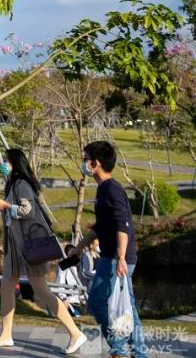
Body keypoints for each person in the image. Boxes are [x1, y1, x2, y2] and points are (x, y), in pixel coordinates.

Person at [0, 148, 87, 353]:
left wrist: (6, 205)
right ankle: (5, 335)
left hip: (28, 247)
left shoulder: (22, 184)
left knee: (42, 292)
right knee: (7, 287)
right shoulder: (14, 183)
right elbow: (14, 214)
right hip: (15, 247)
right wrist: (1, 205)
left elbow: (27, 211)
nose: (4, 164)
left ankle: (76, 333)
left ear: (15, 163)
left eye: (7, 161)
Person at [71, 141, 146, 358]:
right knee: (127, 309)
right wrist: (79, 247)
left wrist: (121, 257)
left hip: (116, 258)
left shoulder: (111, 189)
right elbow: (103, 227)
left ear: (96, 163)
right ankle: (137, 353)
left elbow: (123, 223)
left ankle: (120, 349)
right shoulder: (104, 189)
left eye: (86, 160)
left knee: (97, 302)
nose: (83, 164)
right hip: (115, 256)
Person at [53, 245, 83, 316]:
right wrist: (64, 299)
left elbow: (79, 284)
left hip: (76, 299)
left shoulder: (76, 266)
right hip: (68, 300)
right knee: (75, 315)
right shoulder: (64, 265)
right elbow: (60, 283)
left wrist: (82, 297)